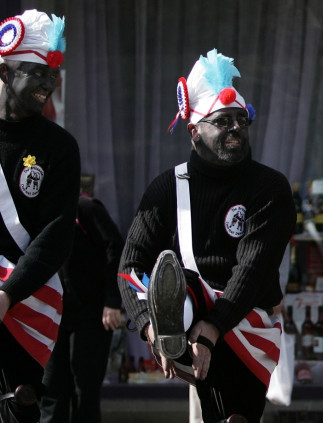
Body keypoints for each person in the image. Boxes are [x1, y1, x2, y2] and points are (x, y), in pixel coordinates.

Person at [117, 49, 295, 423]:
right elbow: (130, 266)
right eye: (222, 121)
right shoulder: (167, 187)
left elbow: (253, 268)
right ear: (194, 131)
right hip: (186, 325)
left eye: (241, 120)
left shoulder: (269, 187)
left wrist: (212, 328)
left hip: (244, 322)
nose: (235, 128)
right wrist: (153, 327)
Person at [0, 9, 80, 423]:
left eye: (53, 74)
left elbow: (56, 234)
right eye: (37, 72)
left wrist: (7, 293)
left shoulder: (59, 147)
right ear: (3, 71)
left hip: (29, 306)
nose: (48, 84)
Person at [40, 194, 123, 423]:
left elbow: (115, 248)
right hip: (54, 314)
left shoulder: (85, 208)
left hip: (91, 314)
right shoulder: (42, 210)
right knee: (52, 387)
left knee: (84, 389)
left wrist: (112, 301)